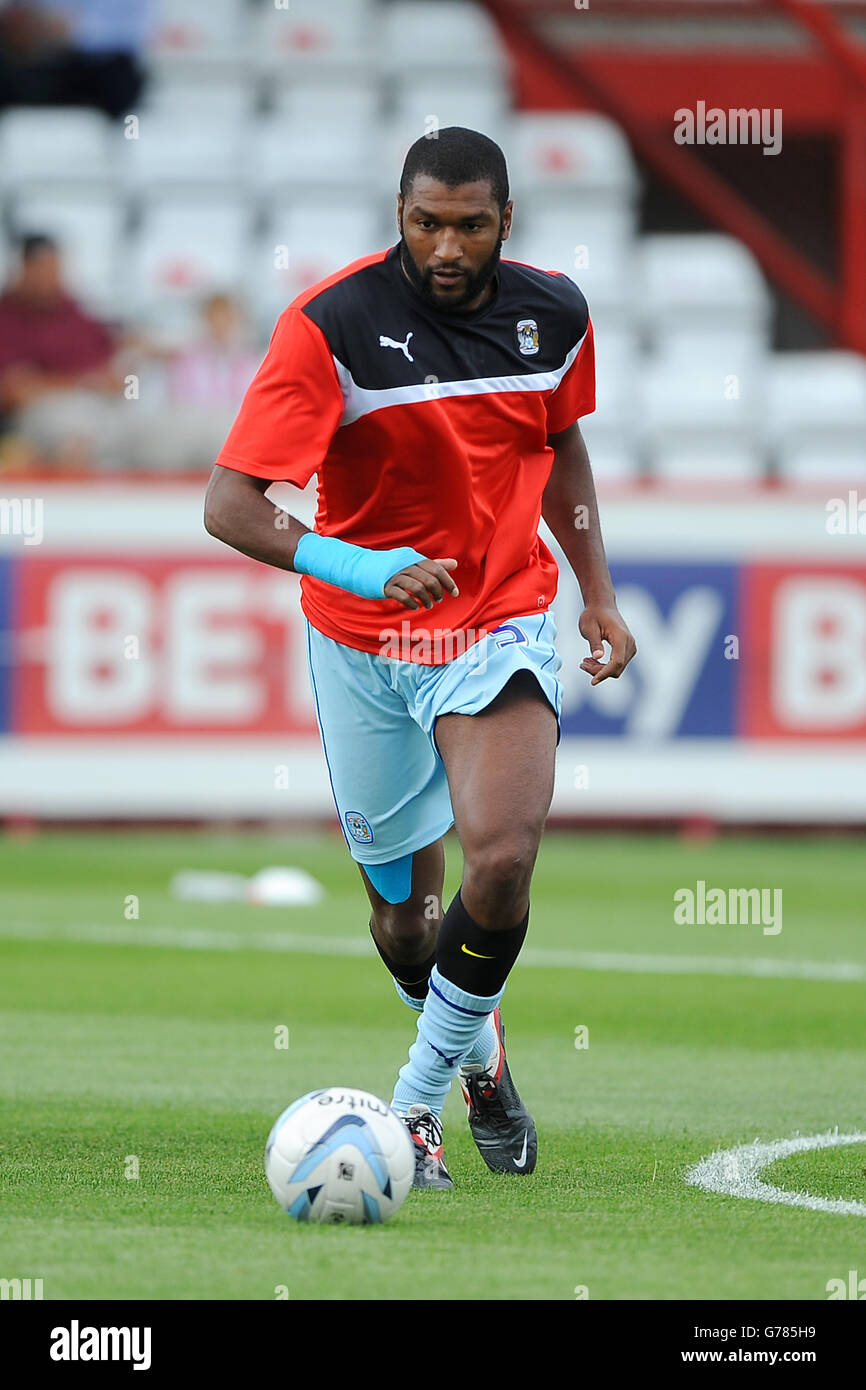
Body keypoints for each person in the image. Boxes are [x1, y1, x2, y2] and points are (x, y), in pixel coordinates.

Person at [204, 128, 636, 1190]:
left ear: (505, 221)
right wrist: (360, 569)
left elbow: (559, 444)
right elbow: (229, 507)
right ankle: (481, 1059)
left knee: (500, 855)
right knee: (407, 921)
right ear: (399, 215)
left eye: (470, 224)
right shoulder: (331, 324)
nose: (447, 246)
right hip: (362, 639)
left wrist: (597, 594)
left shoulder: (555, 314)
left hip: (495, 617)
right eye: (426, 222)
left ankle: (414, 1110)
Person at [0, 232, 122, 467]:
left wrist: (111, 382)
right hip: (37, 418)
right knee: (72, 435)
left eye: (55, 269)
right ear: (24, 269)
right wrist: (79, 383)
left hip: (98, 410)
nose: (51, 277)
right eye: (43, 269)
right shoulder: (7, 318)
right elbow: (15, 392)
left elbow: (117, 378)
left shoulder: (77, 311)